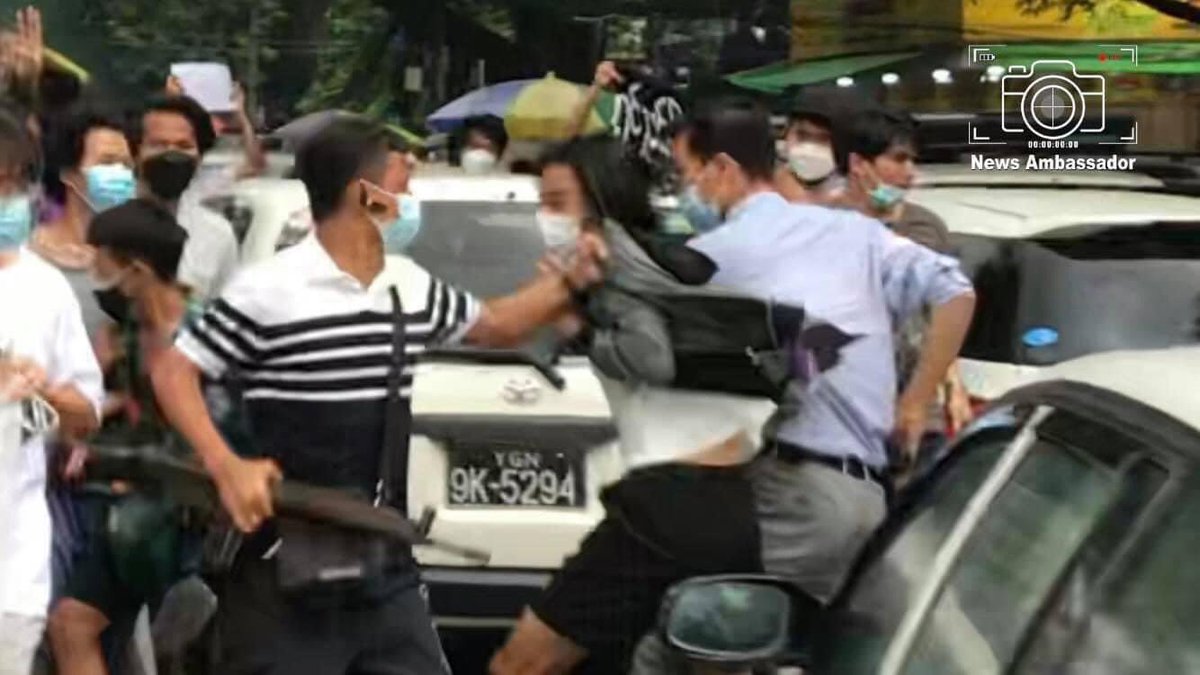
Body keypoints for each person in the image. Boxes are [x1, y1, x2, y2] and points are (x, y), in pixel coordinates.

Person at [150, 115, 606, 674]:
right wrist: (225, 466)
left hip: (382, 567)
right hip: (283, 567)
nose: (411, 194)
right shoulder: (269, 290)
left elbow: (497, 326)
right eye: (402, 181)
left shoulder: (408, 284)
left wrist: (570, 278)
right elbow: (174, 370)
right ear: (363, 196)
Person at [490, 136, 771, 675]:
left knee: (520, 665)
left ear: (599, 203)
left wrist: (568, 299)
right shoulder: (673, 259)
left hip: (669, 504)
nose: (545, 219)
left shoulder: (618, 266)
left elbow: (648, 358)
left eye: (556, 203)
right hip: (728, 502)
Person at [674, 100, 975, 602]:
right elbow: (957, 292)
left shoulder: (713, 258)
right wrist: (915, 401)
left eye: (689, 174)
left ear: (723, 169)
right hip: (862, 489)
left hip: (801, 488)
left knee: (690, 629)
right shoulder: (856, 233)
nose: (689, 191)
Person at [47, 198, 207, 675]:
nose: (94, 277)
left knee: (72, 625)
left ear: (135, 271)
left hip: (163, 520)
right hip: (133, 516)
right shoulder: (139, 332)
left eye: (100, 265)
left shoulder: (194, 341)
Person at [0, 103, 103, 675]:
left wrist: (49, 392)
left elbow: (84, 418)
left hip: (11, 575)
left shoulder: (45, 290)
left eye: (14, 183)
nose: (6, 198)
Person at [832, 108, 974, 474]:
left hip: (917, 409)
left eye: (913, 160)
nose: (910, 172)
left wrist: (952, 384)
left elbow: (938, 314)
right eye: (897, 159)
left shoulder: (927, 227)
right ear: (859, 164)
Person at [33, 103, 135, 337]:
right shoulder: (26, 255)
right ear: (69, 173)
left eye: (127, 165)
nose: (120, 173)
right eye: (107, 163)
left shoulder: (137, 258)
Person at [134, 94, 239, 302]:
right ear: (135, 153)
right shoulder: (105, 227)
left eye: (183, 146)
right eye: (158, 145)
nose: (171, 155)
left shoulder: (217, 236)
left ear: (200, 157)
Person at [774, 86, 877, 205]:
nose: (809, 148)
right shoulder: (766, 186)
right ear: (786, 133)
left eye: (823, 139)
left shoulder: (861, 194)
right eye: (802, 135)